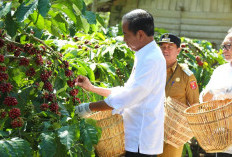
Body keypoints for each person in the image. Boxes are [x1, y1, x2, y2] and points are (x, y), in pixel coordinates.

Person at [75, 9, 166, 157]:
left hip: (141, 138)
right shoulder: (144, 54)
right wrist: (92, 88)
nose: (124, 39)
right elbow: (127, 91)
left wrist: (88, 107)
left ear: (140, 34)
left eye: (126, 34)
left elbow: (128, 96)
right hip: (136, 135)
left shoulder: (151, 59)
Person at [157, 33, 199, 157]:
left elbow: (195, 105)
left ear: (178, 50)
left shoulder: (186, 75)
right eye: (162, 47)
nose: (165, 50)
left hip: (173, 134)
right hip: (151, 128)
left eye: (170, 47)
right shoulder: (151, 70)